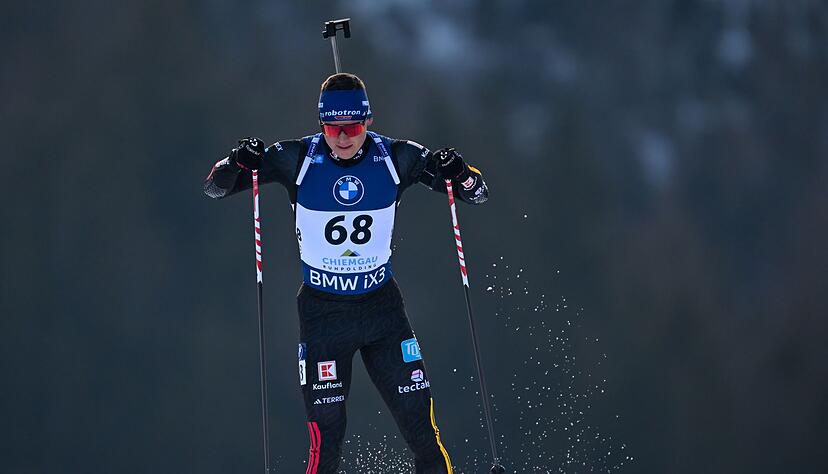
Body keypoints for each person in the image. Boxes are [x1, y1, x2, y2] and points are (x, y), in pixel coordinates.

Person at [204, 72, 488, 474]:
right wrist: (237, 161)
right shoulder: (297, 159)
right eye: (333, 128)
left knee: (423, 432)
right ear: (321, 124)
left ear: (367, 120)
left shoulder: (397, 158)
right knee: (327, 441)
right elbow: (216, 187)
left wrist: (458, 172)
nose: (343, 137)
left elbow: (476, 193)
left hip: (382, 312)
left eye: (352, 127)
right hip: (324, 317)